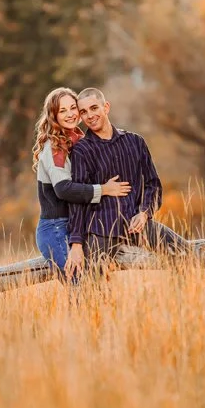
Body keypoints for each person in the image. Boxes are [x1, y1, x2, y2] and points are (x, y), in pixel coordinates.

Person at [65, 87, 186, 279]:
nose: (90, 115)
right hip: (101, 230)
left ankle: (181, 303)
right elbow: (78, 199)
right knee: (88, 288)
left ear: (106, 107)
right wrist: (77, 244)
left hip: (136, 225)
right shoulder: (82, 150)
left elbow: (153, 185)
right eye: (83, 112)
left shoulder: (135, 142)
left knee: (184, 253)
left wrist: (144, 213)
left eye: (94, 108)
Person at [32, 86, 131, 274]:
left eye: (72, 108)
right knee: (82, 285)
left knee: (96, 286)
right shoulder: (55, 147)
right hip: (55, 229)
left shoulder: (78, 139)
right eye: (62, 111)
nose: (70, 114)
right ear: (54, 115)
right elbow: (64, 189)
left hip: (76, 225)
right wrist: (104, 189)